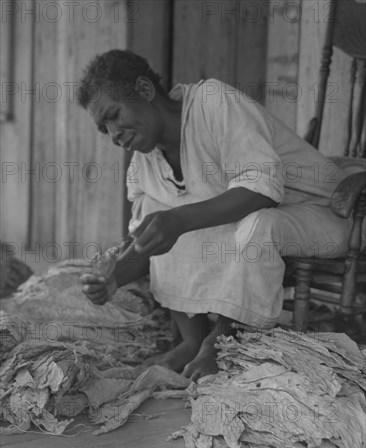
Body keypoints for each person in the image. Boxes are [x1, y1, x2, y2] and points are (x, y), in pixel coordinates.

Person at [78, 49, 352, 381]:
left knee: (252, 224)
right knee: (159, 215)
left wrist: (178, 220)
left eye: (113, 115)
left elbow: (260, 189)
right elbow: (144, 241)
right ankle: (191, 342)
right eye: (104, 129)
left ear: (145, 91)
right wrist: (114, 278)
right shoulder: (144, 162)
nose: (114, 134)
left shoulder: (213, 103)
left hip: (328, 213)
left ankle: (221, 339)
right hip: (267, 222)